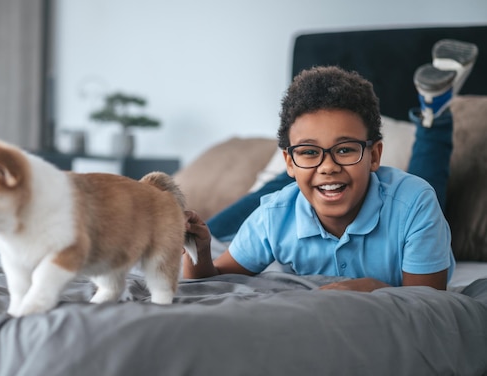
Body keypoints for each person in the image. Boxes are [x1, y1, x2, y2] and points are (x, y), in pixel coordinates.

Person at [184, 39, 478, 292]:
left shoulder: (413, 203)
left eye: (345, 148)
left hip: (399, 199)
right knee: (299, 185)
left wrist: (379, 289)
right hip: (304, 185)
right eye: (309, 152)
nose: (328, 166)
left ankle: (434, 113)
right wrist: (198, 250)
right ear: (287, 161)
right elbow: (215, 279)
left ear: (375, 155)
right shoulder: (274, 214)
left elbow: (428, 301)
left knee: (424, 186)